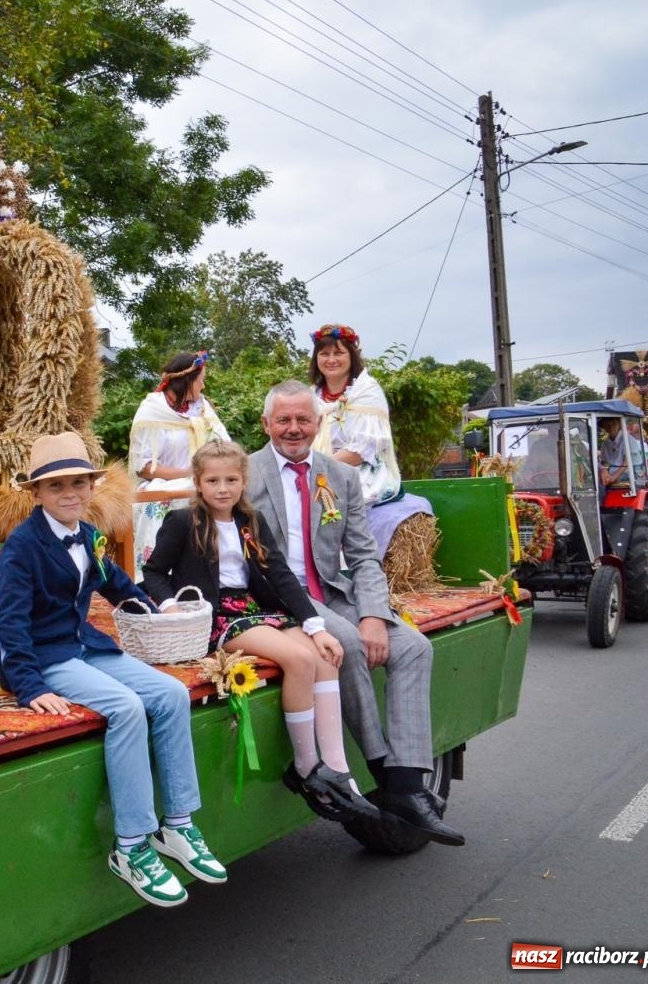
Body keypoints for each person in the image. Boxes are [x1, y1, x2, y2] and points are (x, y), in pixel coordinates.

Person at [0, 431, 227, 908]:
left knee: (170, 694)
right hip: (49, 657)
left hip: (87, 646)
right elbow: (8, 623)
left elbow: (115, 582)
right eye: (57, 487)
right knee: (126, 708)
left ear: (91, 487)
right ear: (36, 494)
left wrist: (152, 607)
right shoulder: (22, 547)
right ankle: (132, 845)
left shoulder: (88, 535)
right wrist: (26, 684)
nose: (70, 494)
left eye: (79, 483)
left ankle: (178, 825)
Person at [246, 380, 463, 846]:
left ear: (318, 424)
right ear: (266, 424)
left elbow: (363, 556)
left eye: (303, 419)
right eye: (283, 419)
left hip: (334, 589)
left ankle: (407, 784)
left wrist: (374, 615)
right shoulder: (243, 475)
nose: (293, 428)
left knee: (414, 648)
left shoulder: (339, 477)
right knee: (344, 643)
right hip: (279, 598)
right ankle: (386, 776)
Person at [142, 442, 377, 823]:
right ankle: (306, 767)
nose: (223, 488)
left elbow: (280, 575)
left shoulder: (250, 520)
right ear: (198, 484)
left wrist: (315, 625)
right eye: (213, 480)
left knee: (326, 656)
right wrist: (172, 607)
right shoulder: (184, 522)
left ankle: (338, 768)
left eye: (231, 479)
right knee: (299, 660)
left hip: (256, 607)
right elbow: (153, 571)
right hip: (218, 615)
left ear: (243, 481)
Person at [308, 323, 435, 556]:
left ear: (352, 356)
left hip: (359, 467)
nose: (331, 359)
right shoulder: (311, 396)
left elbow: (362, 449)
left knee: (331, 500)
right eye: (324, 354)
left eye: (338, 353)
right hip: (318, 465)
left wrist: (320, 469)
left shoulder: (367, 391)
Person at [129, 350, 230, 575]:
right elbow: (144, 467)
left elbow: (224, 445)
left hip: (199, 478)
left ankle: (213, 571)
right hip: (161, 482)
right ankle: (157, 572)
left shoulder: (202, 409)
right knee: (167, 499)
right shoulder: (152, 411)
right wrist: (187, 473)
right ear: (188, 381)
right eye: (201, 380)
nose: (203, 386)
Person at [598, 417, 629, 487]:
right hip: (611, 474)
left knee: (600, 485)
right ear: (604, 426)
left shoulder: (626, 440)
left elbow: (627, 462)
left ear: (619, 425)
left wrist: (613, 477)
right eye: (608, 425)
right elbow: (604, 462)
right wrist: (604, 471)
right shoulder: (605, 443)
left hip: (625, 476)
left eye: (613, 424)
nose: (611, 427)